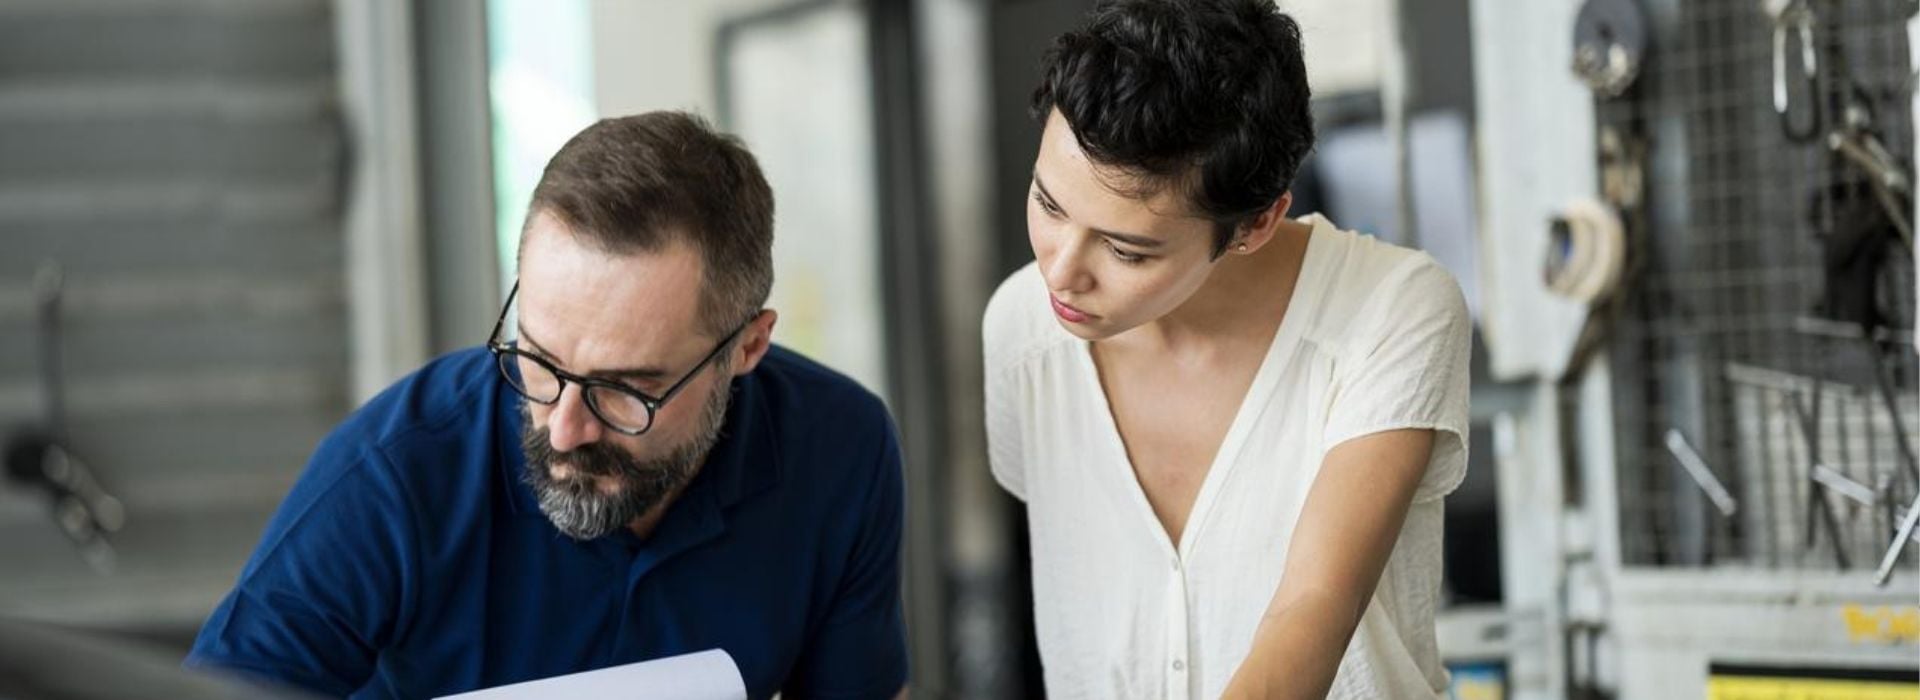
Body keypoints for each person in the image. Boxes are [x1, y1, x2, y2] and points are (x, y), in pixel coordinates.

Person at [187, 111, 909, 699]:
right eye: (538, 360)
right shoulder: (395, 474)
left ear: (746, 348)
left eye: (626, 389)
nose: (563, 428)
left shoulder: (840, 449)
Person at [982, 1, 1471, 697]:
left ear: (1255, 223)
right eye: (1049, 204)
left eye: (1126, 249)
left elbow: (1314, 607)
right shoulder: (1020, 333)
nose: (1061, 272)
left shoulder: (1391, 311)